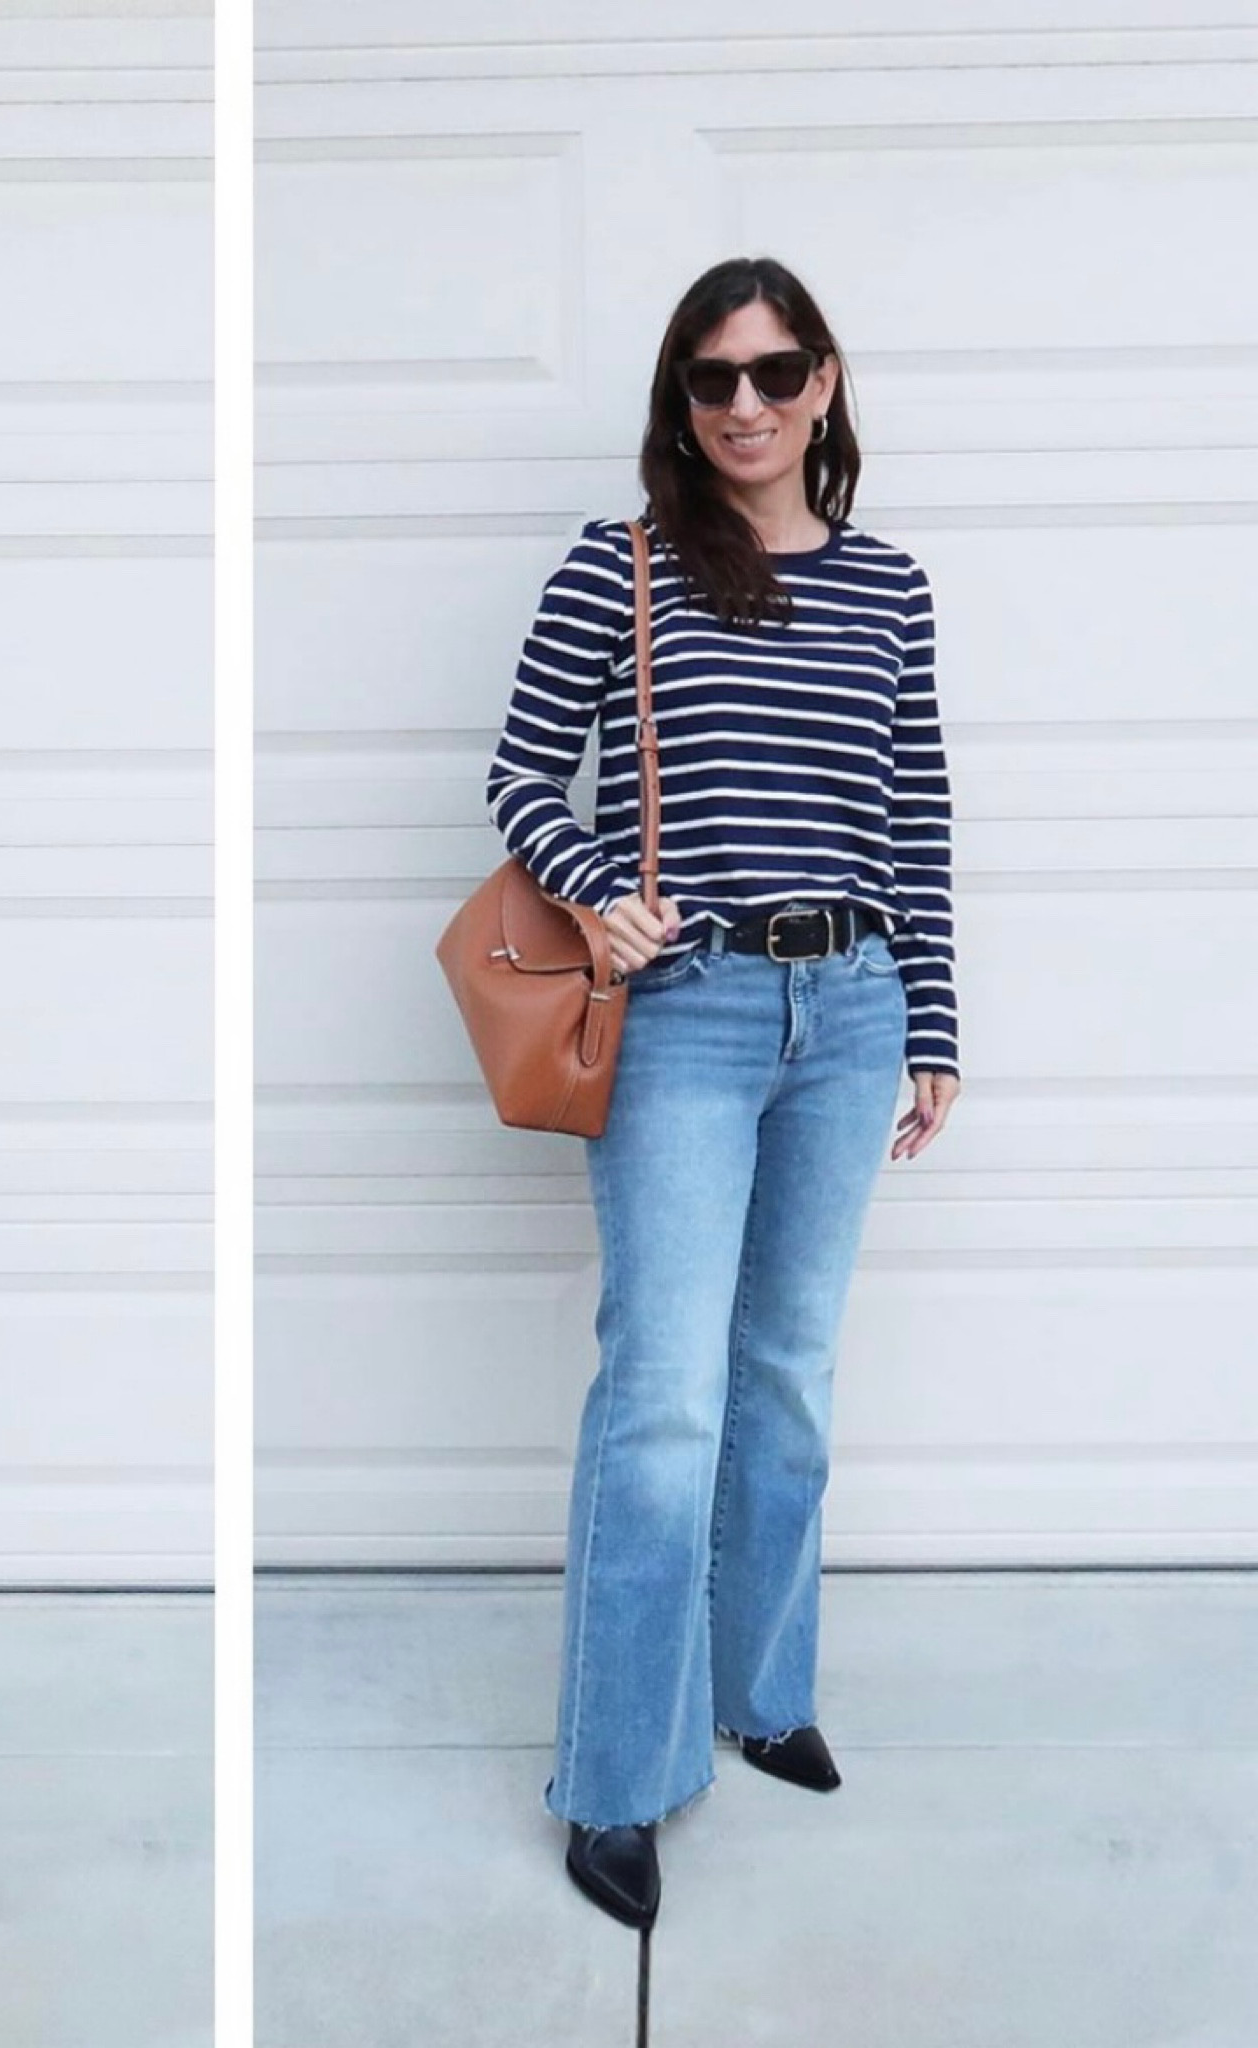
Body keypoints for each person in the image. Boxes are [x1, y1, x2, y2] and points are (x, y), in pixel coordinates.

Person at [485, 256, 960, 1931]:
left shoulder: (889, 587)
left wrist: (933, 1022)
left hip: (852, 1006)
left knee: (787, 1376)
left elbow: (914, 815)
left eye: (772, 372)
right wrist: (597, 888)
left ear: (822, 383)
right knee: (666, 1392)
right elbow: (520, 775)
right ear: (680, 404)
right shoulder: (618, 568)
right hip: (685, 1012)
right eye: (710, 378)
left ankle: (762, 1694)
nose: (743, 404)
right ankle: (617, 1774)